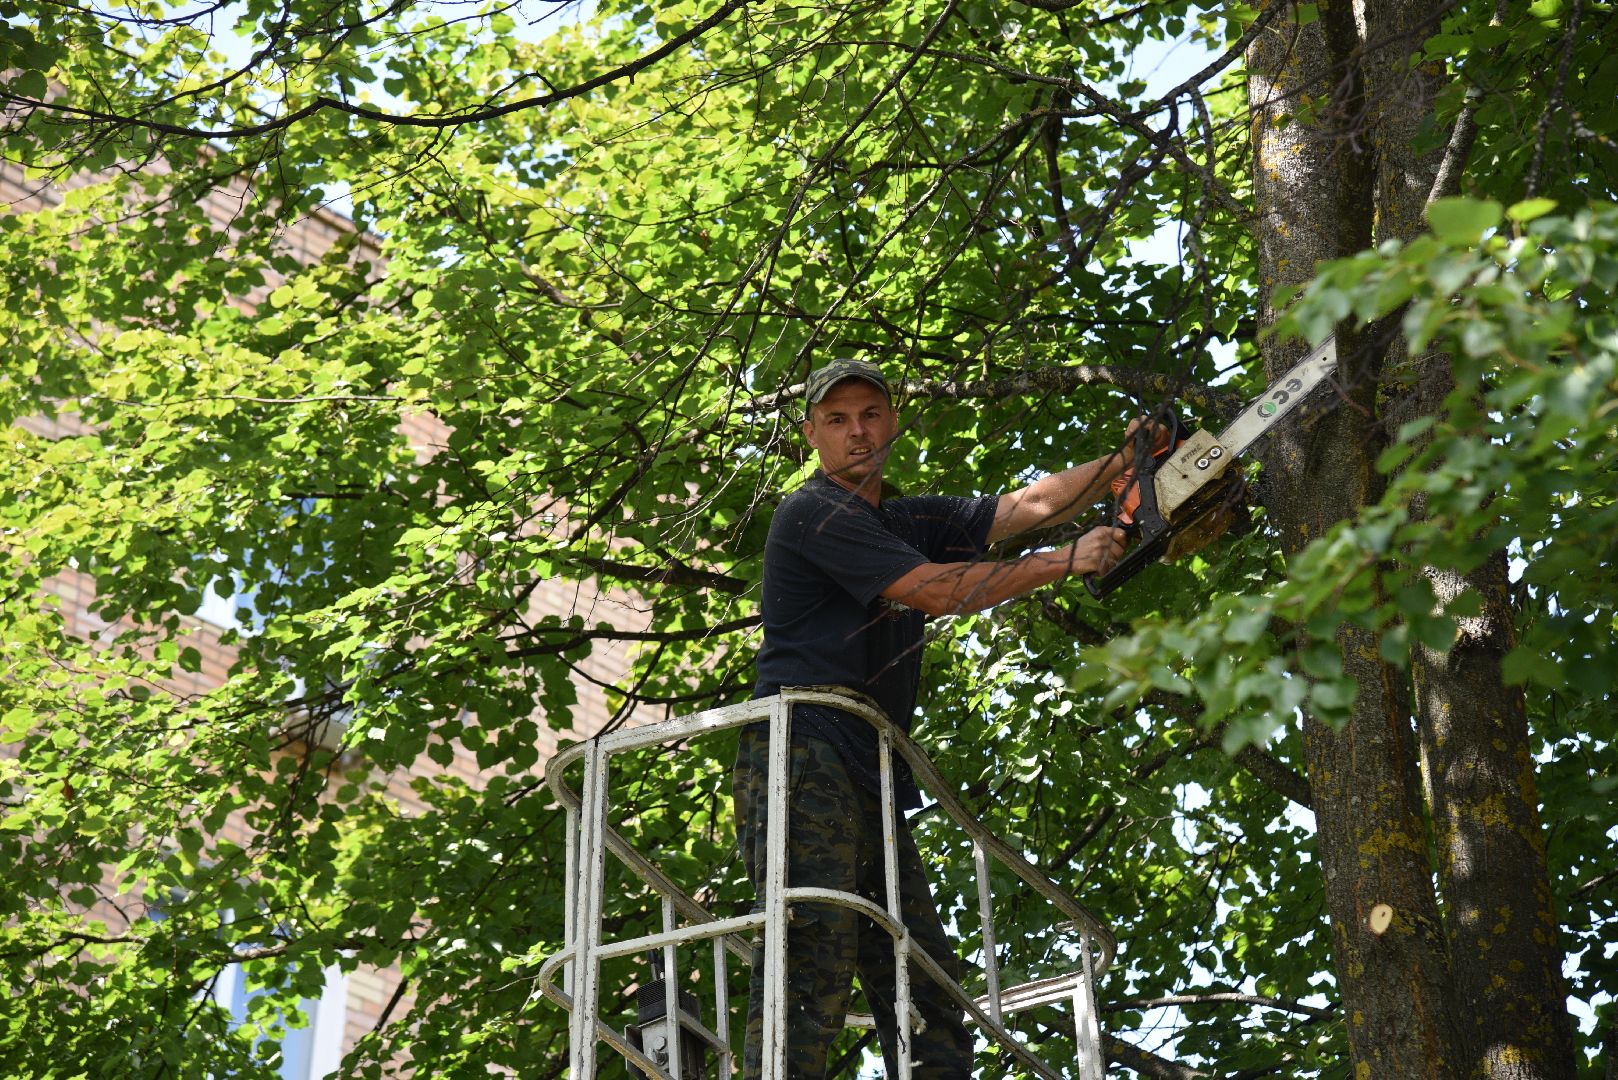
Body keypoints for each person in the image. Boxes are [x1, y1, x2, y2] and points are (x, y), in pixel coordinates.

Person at [734, 357, 1160, 1079]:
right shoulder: (815, 512)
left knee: (925, 977)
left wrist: (1128, 457)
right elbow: (935, 591)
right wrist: (1066, 561)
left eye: (870, 414)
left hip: (867, 768)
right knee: (815, 949)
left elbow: (1023, 507)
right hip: (799, 755)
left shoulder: (904, 520)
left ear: (892, 422)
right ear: (812, 436)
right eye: (836, 421)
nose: (857, 432)